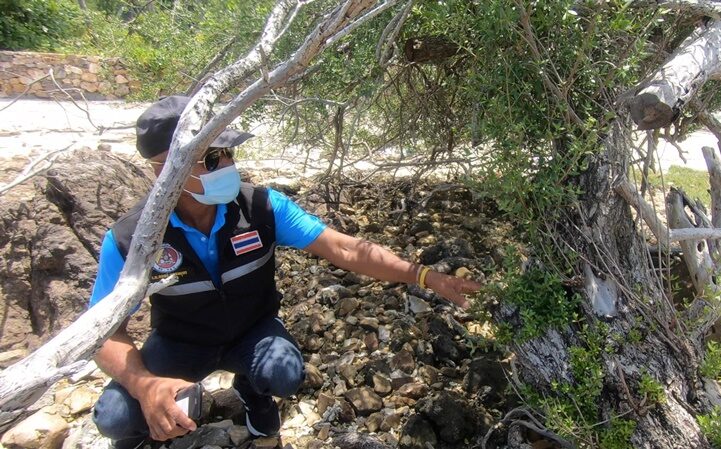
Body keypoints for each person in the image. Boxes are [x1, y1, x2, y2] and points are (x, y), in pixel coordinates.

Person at [89, 95, 481, 449]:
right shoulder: (131, 238)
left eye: (228, 153)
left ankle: (252, 391)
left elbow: (344, 247)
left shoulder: (261, 207)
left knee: (285, 373)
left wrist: (425, 277)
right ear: (164, 170)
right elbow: (103, 333)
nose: (227, 165)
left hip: (252, 331)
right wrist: (145, 385)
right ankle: (152, 427)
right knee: (116, 418)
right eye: (211, 159)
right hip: (181, 341)